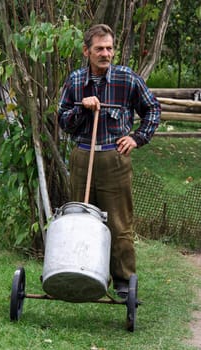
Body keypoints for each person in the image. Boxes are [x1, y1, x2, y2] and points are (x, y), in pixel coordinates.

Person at [58, 24, 161, 298]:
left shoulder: (127, 79)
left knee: (118, 224)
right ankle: (81, 274)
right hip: (82, 156)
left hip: (115, 158)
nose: (105, 53)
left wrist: (138, 138)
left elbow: (152, 108)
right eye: (99, 49)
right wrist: (82, 106)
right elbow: (62, 120)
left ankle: (125, 285)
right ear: (86, 51)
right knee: (80, 219)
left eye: (109, 48)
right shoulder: (76, 80)